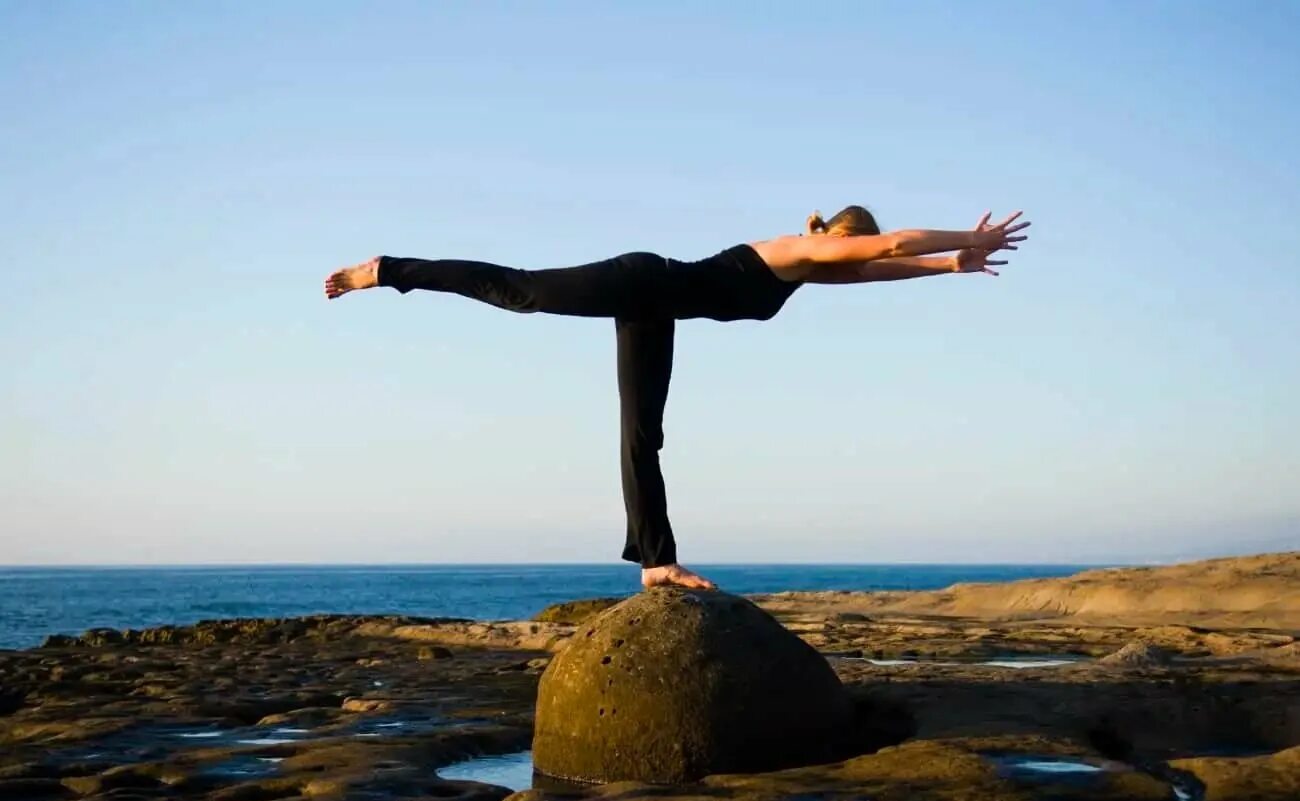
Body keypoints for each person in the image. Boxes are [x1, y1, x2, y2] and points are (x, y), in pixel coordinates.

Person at [324, 207, 1030, 590]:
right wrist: (969, 234)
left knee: (643, 434)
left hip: (654, 305)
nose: (870, 257)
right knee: (522, 290)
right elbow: (892, 245)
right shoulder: (793, 250)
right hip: (641, 278)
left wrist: (948, 266)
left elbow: (884, 267)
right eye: (865, 248)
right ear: (849, 239)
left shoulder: (817, 272)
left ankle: (654, 560)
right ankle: (387, 270)